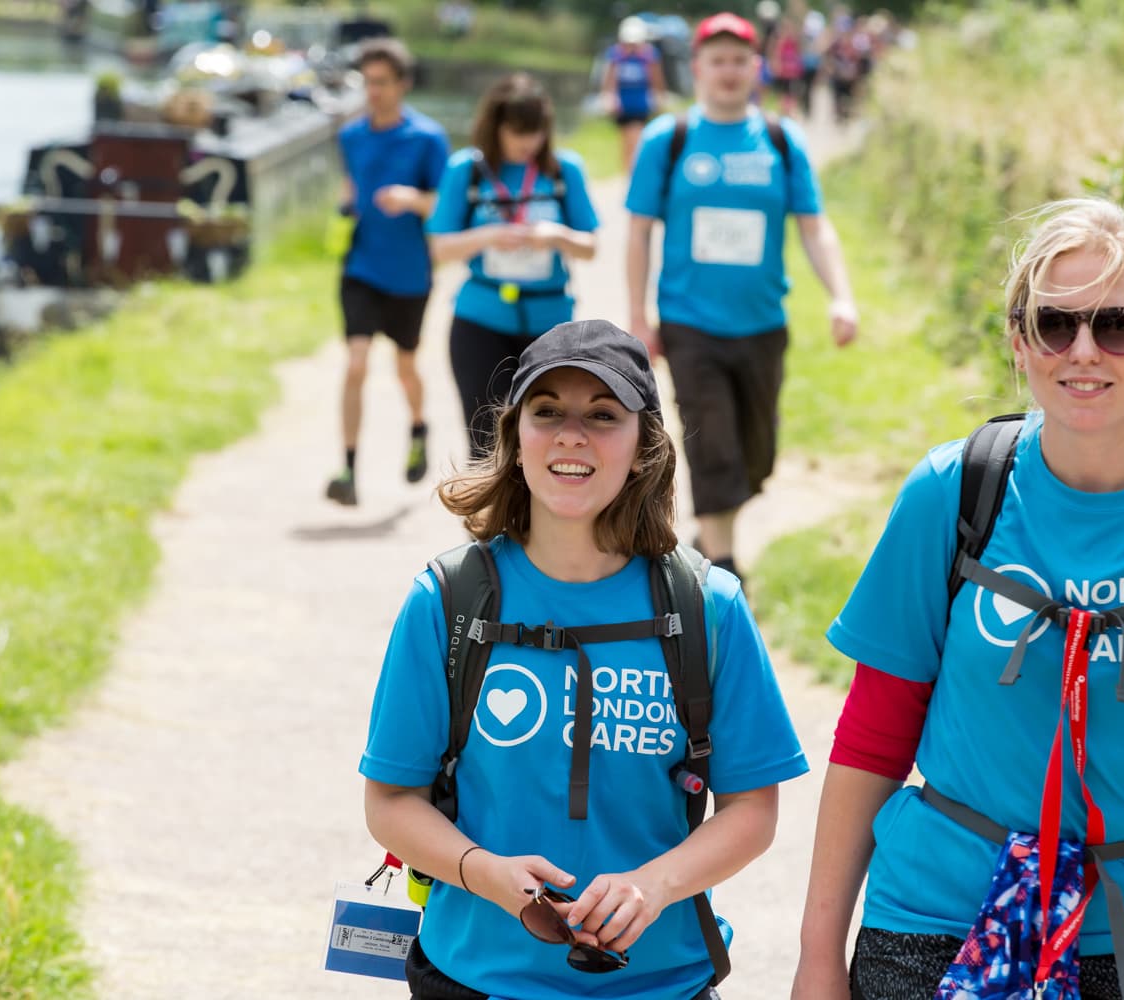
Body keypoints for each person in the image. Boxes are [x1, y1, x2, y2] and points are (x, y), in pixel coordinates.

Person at [790, 198, 1124, 1000]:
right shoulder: (953, 491)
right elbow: (873, 735)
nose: (1084, 350)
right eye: (1054, 324)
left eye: (1120, 324)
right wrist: (818, 959)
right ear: (1018, 341)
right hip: (939, 921)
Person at [361, 319, 810, 999]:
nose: (572, 435)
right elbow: (392, 800)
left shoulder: (706, 605)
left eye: (603, 415)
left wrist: (652, 886)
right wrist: (484, 871)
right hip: (477, 978)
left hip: (663, 985)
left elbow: (751, 808)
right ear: (514, 439)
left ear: (643, 447)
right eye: (547, 412)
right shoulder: (448, 600)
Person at [625, 11, 858, 583]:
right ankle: (725, 570)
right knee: (712, 444)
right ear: (698, 68)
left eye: (738, 61)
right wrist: (638, 317)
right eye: (717, 61)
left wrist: (841, 296)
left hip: (761, 324)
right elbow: (638, 231)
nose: (728, 71)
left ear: (756, 68)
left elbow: (814, 227)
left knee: (757, 457)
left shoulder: (780, 140)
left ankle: (713, 535)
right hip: (689, 322)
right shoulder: (669, 140)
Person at [427, 73, 599, 461]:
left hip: (549, 326)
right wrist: (488, 235)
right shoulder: (466, 170)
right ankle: (487, 505)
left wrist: (556, 235)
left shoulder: (564, 170)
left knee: (547, 442)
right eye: (518, 131)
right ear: (496, 127)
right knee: (485, 444)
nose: (528, 142)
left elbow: (590, 247)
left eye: (536, 132)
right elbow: (441, 248)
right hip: (480, 320)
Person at [325, 37, 450, 507]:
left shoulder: (428, 139)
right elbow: (351, 188)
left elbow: (446, 205)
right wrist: (343, 213)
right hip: (360, 266)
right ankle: (347, 470)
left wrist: (412, 199)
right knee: (356, 363)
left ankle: (418, 428)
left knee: (405, 366)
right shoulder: (350, 136)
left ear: (403, 84)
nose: (373, 91)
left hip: (410, 273)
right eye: (367, 82)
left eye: (381, 82)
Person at [602, 17, 667, 174]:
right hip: (623, 106)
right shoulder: (616, 55)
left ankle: (635, 172)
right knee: (626, 141)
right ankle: (628, 174)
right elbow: (609, 80)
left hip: (641, 105)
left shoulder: (648, 56)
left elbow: (656, 79)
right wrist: (609, 98)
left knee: (637, 139)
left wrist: (659, 98)